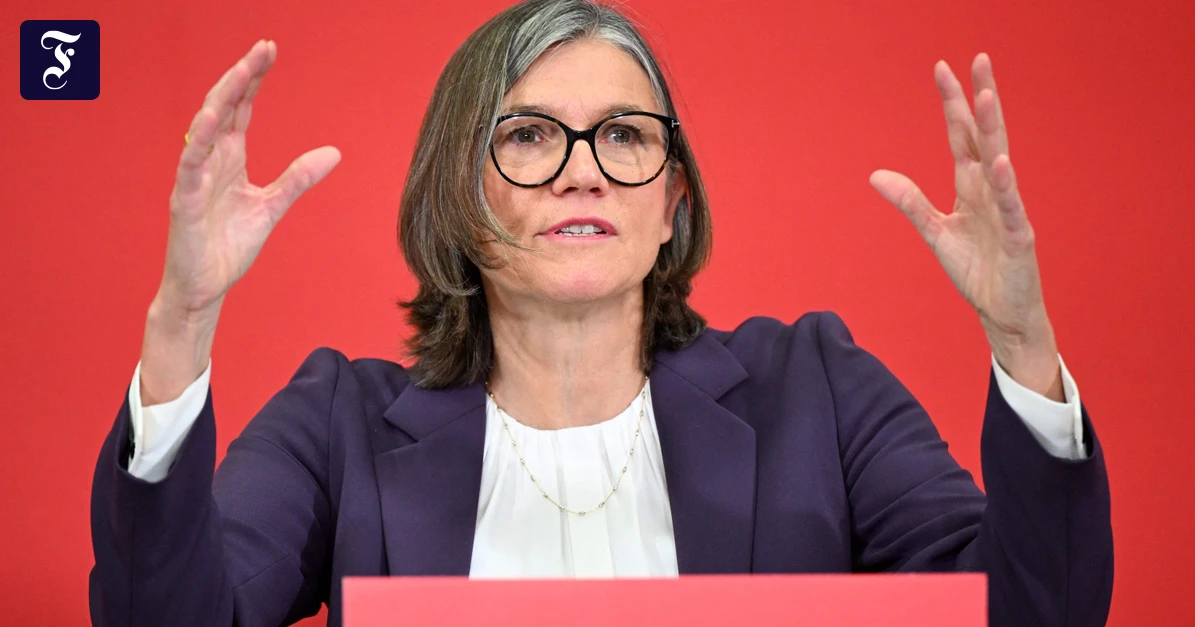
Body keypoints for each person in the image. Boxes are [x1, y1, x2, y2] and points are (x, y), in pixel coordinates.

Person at [88, 0, 1113, 625]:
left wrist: (1022, 343)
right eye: (529, 135)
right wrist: (183, 322)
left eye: (624, 135)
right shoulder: (337, 423)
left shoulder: (819, 390)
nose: (583, 173)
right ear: (457, 193)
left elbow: (1034, 614)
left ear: (671, 203)